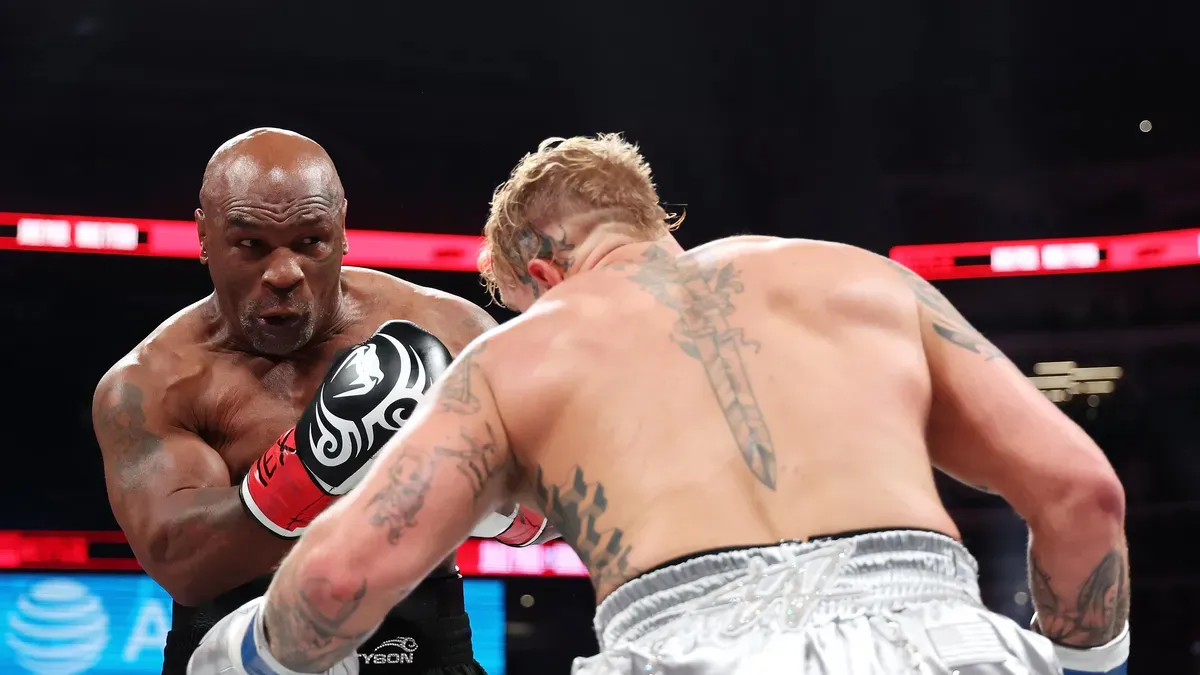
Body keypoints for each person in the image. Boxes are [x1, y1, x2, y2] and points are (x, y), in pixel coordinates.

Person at [191, 134, 1131, 675]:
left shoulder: (522, 352)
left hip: (689, 647)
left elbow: (337, 584)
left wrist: (244, 651)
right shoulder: (866, 282)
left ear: (543, 275)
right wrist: (1086, 665)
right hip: (945, 637)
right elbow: (1084, 492)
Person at [92, 127, 555, 675]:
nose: (284, 273)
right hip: (233, 650)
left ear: (341, 229)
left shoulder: (449, 330)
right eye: (250, 244)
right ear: (203, 237)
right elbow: (180, 562)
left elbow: (555, 510)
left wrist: (491, 504)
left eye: (311, 241)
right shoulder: (152, 384)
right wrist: (317, 463)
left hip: (419, 647)